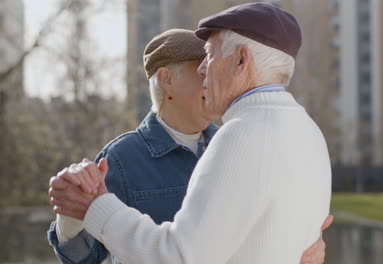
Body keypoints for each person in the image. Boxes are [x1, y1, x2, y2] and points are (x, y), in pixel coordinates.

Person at [47, 27, 331, 264]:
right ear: (167, 80)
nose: (211, 78)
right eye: (202, 71)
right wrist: (70, 214)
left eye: (213, 68)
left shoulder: (240, 144)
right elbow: (82, 259)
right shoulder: (122, 158)